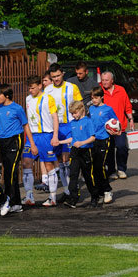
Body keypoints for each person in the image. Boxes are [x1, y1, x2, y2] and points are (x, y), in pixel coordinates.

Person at [0, 84, 36, 215]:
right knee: (7, 171)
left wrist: (32, 144)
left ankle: (8, 200)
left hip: (15, 140)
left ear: (6, 96)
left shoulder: (17, 108)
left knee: (11, 171)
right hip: (3, 141)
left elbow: (26, 125)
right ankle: (16, 203)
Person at [45, 63, 83, 197]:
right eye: (53, 77)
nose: (56, 79)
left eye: (58, 76)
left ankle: (73, 188)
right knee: (60, 160)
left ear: (63, 74)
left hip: (69, 125)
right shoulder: (47, 90)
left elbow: (80, 106)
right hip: (55, 127)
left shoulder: (72, 87)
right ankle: (67, 190)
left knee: (67, 159)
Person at [22, 75, 60, 206]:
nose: (30, 91)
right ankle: (29, 196)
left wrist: (55, 136)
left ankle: (53, 197)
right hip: (32, 136)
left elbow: (55, 118)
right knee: (26, 162)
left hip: (46, 135)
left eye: (32, 88)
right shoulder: (28, 99)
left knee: (49, 165)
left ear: (39, 86)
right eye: (29, 88)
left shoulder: (48, 98)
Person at [58, 101, 100, 208]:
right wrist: (60, 142)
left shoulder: (87, 122)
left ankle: (95, 197)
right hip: (75, 151)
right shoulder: (72, 123)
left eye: (75, 113)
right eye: (72, 114)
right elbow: (73, 139)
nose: (74, 115)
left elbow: (93, 137)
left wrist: (82, 143)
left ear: (81, 110)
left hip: (86, 151)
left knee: (88, 176)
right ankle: (73, 198)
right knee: (73, 175)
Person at [101, 71, 133, 179]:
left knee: (122, 147)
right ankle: (111, 171)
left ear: (112, 80)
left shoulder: (121, 90)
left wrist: (131, 119)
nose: (104, 82)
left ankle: (121, 169)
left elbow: (127, 106)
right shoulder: (99, 90)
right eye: (103, 80)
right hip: (105, 128)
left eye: (106, 80)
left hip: (120, 126)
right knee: (109, 149)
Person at [88, 87, 118, 204]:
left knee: (100, 166)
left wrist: (114, 130)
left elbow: (115, 122)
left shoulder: (107, 109)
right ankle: (100, 190)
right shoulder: (91, 108)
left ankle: (107, 190)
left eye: (96, 98)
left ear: (101, 97)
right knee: (94, 167)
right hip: (93, 140)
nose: (94, 100)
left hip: (104, 140)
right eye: (92, 98)